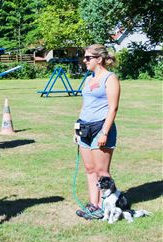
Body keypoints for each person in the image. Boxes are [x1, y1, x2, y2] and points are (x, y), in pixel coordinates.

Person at [74, 44, 121, 220]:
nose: (84, 61)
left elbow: (113, 108)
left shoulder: (110, 78)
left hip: (101, 127)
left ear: (98, 59)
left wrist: (105, 133)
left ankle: (106, 207)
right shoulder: (89, 78)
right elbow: (85, 105)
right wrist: (77, 127)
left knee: (102, 171)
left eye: (87, 58)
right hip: (85, 126)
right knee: (90, 169)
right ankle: (93, 206)